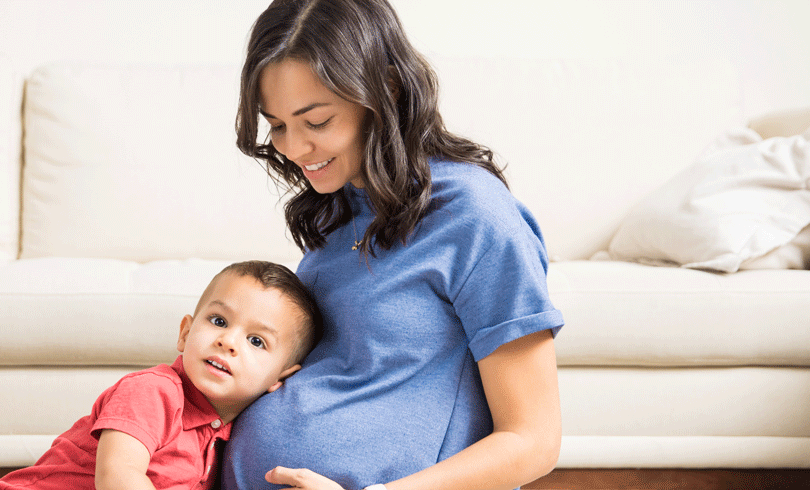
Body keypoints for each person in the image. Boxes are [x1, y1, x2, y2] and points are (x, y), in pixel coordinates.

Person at [222, 1, 566, 490]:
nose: (294, 149)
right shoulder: (340, 205)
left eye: (315, 122)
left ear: (386, 89)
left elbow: (534, 440)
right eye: (277, 125)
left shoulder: (474, 214)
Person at [0, 260, 322, 490]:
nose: (227, 341)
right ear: (185, 333)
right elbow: (118, 477)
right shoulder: (154, 392)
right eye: (219, 321)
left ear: (281, 377)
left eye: (256, 341)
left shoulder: (229, 436)